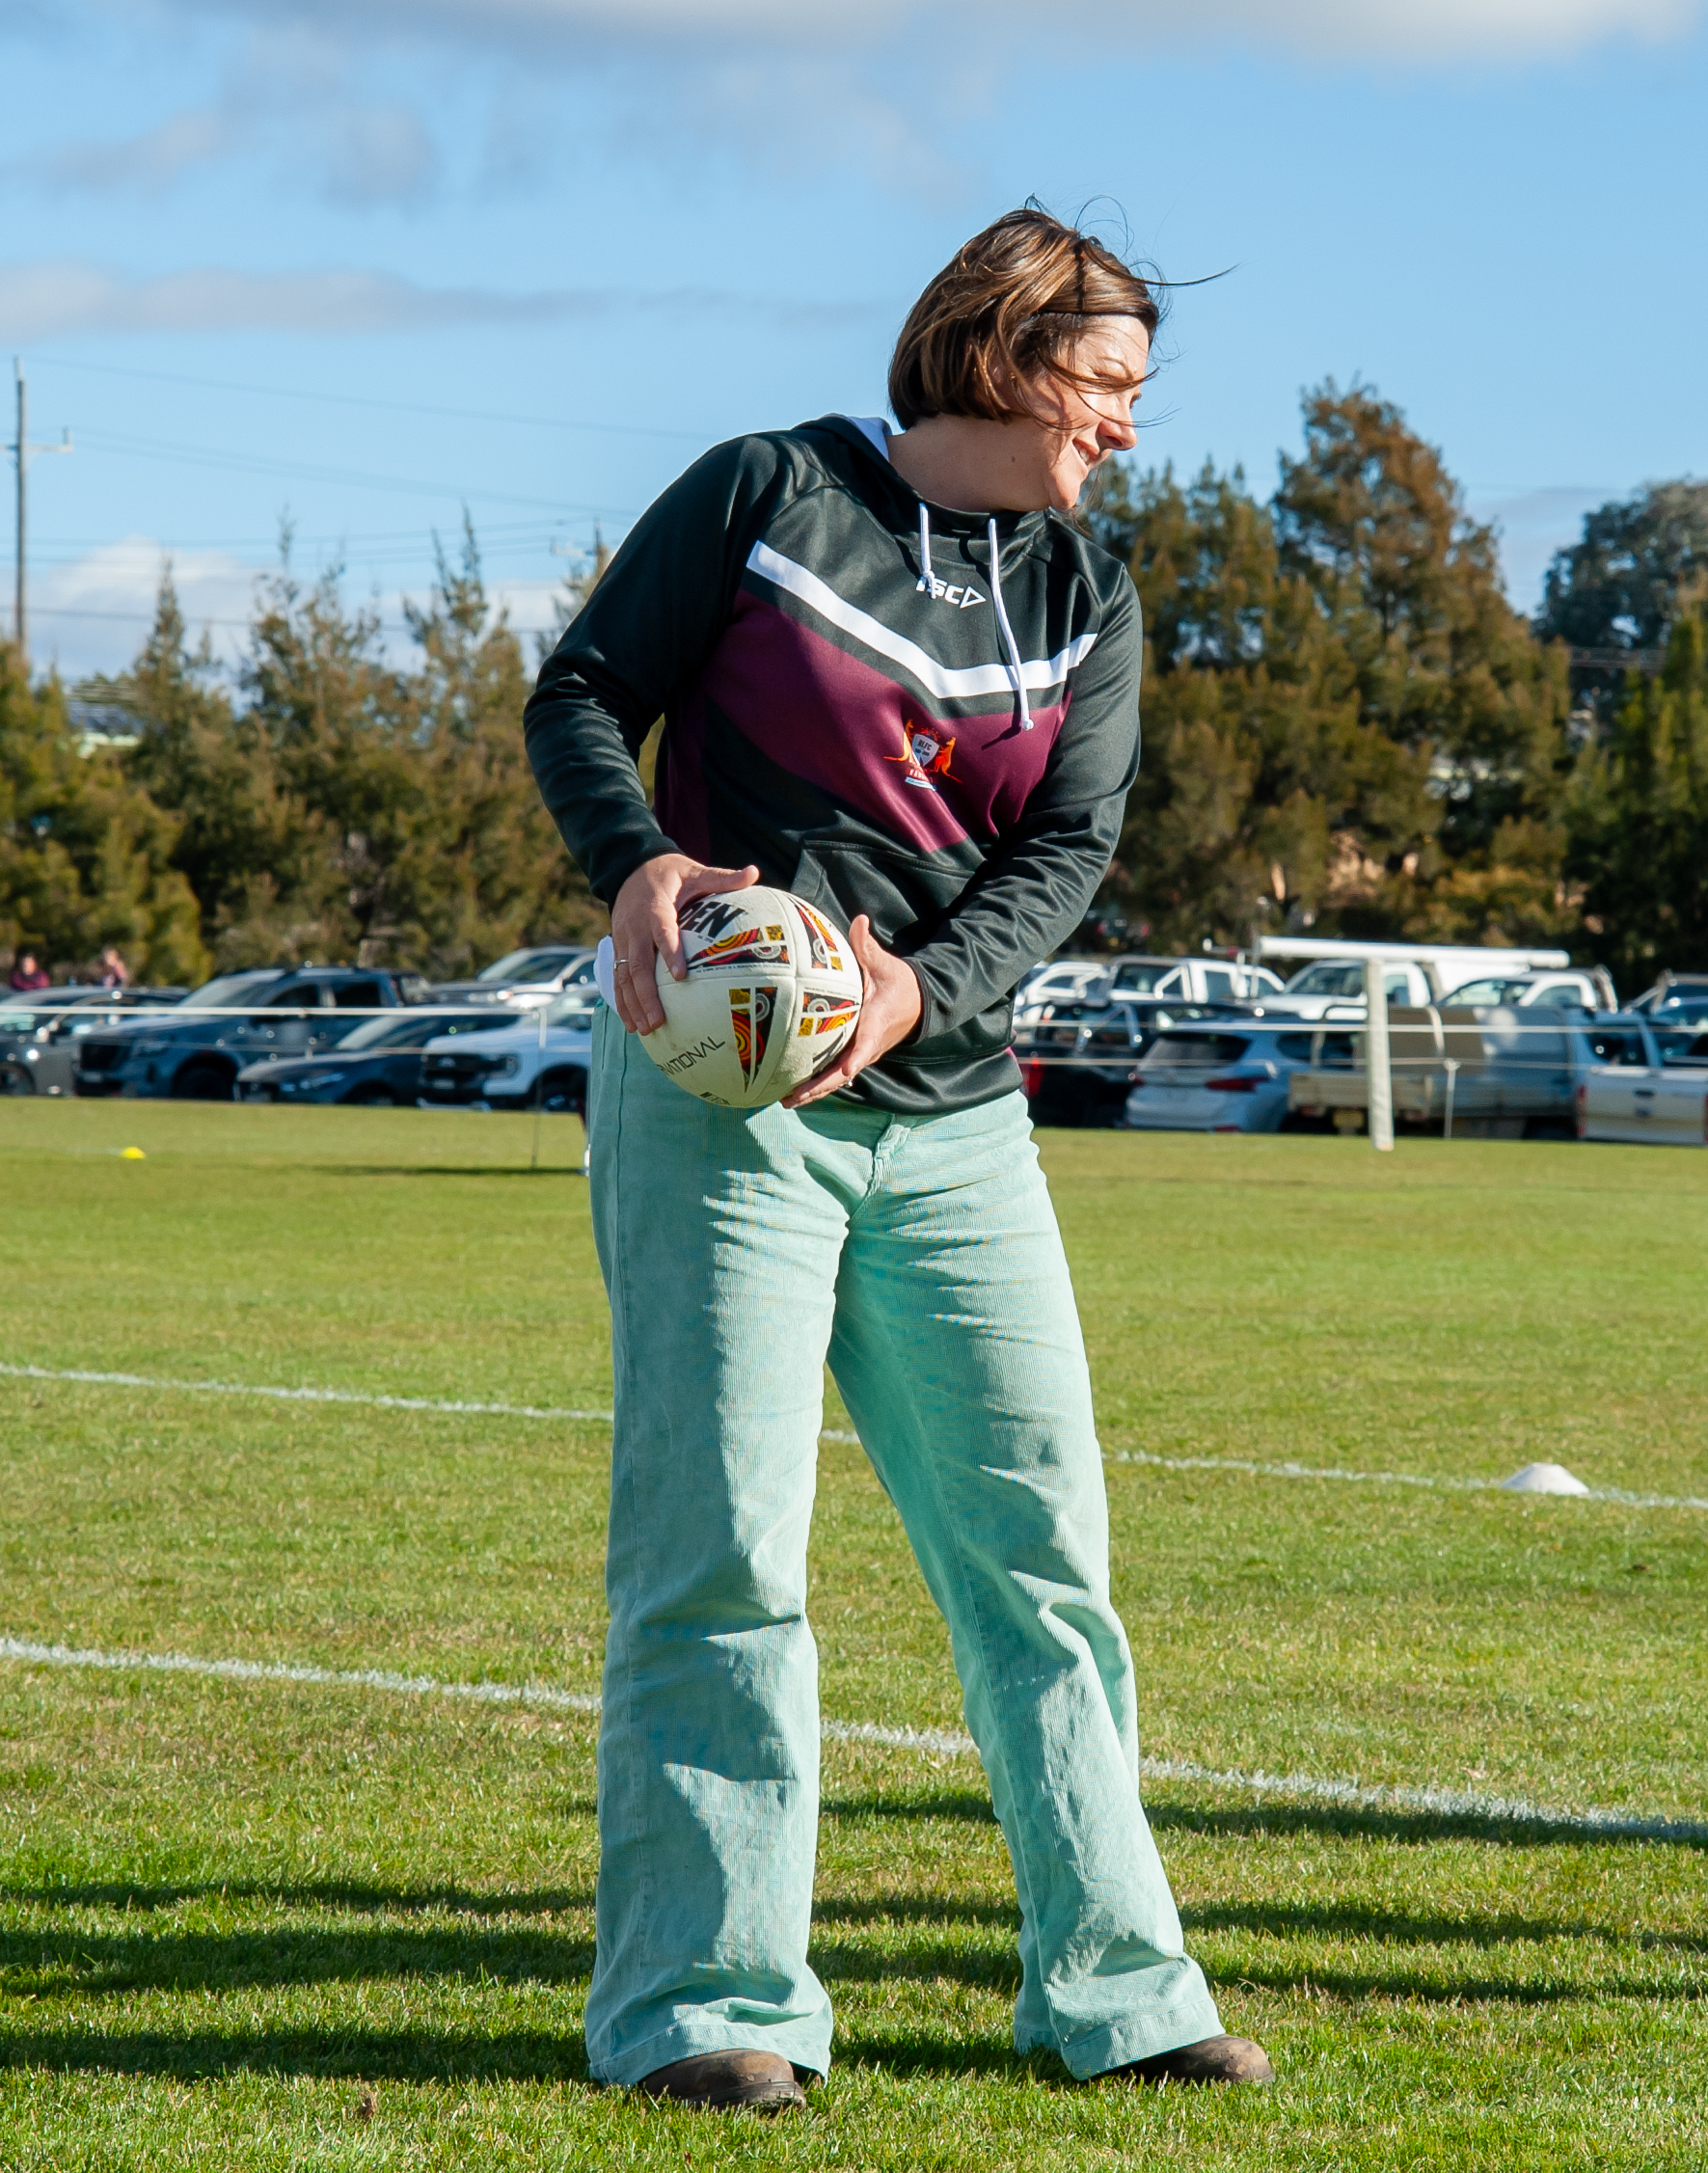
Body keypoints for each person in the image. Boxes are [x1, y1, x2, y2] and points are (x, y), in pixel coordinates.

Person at [524, 207, 1267, 2113]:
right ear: (1000, 354)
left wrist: (916, 996)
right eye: (1103, 386)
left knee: (1041, 1560)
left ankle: (1117, 1984)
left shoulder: (1086, 593)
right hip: (718, 1118)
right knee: (719, 1560)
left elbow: (1066, 852)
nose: (1123, 428)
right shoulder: (769, 492)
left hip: (956, 1128)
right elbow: (583, 691)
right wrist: (640, 864)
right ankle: (705, 2004)